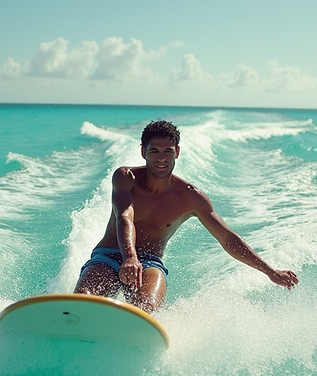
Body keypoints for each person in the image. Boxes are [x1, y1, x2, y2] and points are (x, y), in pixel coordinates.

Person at [74, 120, 298, 312]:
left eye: (168, 151)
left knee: (146, 308)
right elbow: (125, 217)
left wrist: (270, 271)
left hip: (150, 262)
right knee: (85, 298)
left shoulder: (190, 197)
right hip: (110, 255)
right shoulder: (126, 178)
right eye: (154, 151)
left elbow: (227, 238)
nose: (161, 158)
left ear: (177, 152)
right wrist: (129, 257)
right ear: (143, 152)